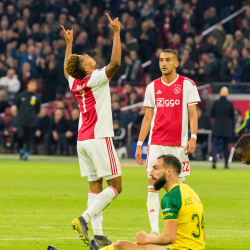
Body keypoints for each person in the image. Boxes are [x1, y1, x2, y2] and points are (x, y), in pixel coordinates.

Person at [61, 13, 122, 247]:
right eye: (84, 57)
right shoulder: (94, 78)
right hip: (99, 137)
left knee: (95, 186)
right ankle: (84, 219)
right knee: (115, 186)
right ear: (86, 69)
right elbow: (115, 63)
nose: (88, 56)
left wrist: (69, 46)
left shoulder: (75, 82)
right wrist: (116, 32)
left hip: (82, 141)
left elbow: (68, 71)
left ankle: (97, 234)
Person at [135, 49, 200, 235]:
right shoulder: (152, 87)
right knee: (153, 186)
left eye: (168, 60)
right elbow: (147, 118)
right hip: (156, 143)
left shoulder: (188, 85)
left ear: (176, 63)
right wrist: (140, 144)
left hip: (179, 145)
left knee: (178, 190)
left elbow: (193, 115)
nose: (164, 63)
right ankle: (155, 232)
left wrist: (193, 137)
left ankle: (179, 231)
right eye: (161, 60)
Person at [89, 155, 205, 250]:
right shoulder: (191, 192)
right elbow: (202, 236)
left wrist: (147, 238)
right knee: (145, 246)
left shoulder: (170, 198)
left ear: (169, 171)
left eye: (155, 168)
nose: (151, 173)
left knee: (121, 245)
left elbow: (169, 237)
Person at [16, 79, 40, 160]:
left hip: (31, 121)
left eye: (35, 85)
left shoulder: (37, 97)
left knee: (29, 137)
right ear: (28, 85)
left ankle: (26, 153)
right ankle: (21, 150)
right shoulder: (21, 95)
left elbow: (38, 109)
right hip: (21, 120)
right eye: (32, 84)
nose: (34, 86)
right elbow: (17, 105)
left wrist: (32, 116)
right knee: (20, 136)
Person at [211, 87, 234, 169]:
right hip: (227, 128)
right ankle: (226, 164)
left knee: (215, 145)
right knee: (226, 147)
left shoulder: (215, 103)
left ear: (220, 93)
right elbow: (232, 117)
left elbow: (212, 115)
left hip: (217, 127)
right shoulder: (230, 104)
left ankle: (214, 163)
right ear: (227, 94)